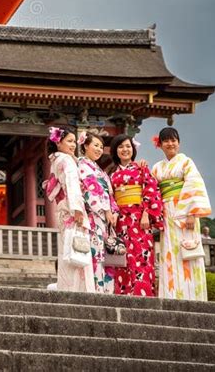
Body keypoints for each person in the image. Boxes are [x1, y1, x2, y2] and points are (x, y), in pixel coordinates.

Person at [151, 127, 211, 301]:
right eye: (166, 141)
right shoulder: (157, 167)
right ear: (160, 145)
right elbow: (152, 190)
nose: (170, 144)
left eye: (173, 140)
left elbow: (194, 185)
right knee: (169, 252)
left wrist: (192, 213)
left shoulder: (186, 162)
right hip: (166, 213)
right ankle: (171, 294)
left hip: (185, 213)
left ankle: (194, 296)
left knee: (189, 250)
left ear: (178, 142)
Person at [109, 133, 163, 296]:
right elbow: (111, 198)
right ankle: (124, 295)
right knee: (122, 259)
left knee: (141, 258)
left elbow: (151, 190)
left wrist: (146, 213)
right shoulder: (112, 175)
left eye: (128, 146)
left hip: (139, 220)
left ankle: (143, 294)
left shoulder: (141, 168)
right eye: (120, 147)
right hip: (121, 221)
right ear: (115, 151)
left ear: (133, 149)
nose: (125, 150)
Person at [47, 126, 95, 292]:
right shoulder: (66, 161)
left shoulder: (56, 160)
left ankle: (67, 287)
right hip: (72, 209)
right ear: (58, 142)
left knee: (67, 250)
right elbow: (71, 184)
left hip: (63, 210)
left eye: (74, 141)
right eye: (69, 141)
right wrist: (78, 210)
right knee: (78, 250)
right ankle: (79, 290)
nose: (73, 145)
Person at [77, 129, 119, 293]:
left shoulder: (98, 169)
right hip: (93, 217)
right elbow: (92, 190)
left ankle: (107, 290)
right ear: (85, 146)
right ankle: (96, 289)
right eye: (95, 145)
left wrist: (114, 211)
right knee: (95, 254)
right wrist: (106, 209)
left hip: (105, 219)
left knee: (105, 255)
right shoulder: (82, 165)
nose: (99, 149)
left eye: (101, 147)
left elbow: (109, 192)